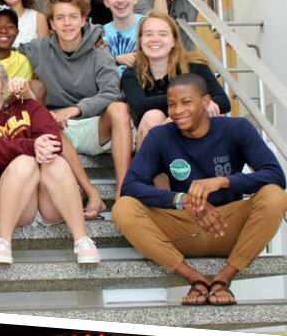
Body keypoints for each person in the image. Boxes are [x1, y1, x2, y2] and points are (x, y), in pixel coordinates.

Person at [114, 73, 287, 306]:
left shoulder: (237, 128)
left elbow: (275, 174)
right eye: (171, 104)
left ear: (205, 102)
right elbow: (130, 186)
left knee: (275, 196)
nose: (177, 111)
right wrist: (181, 199)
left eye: (186, 102)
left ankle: (223, 280)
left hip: (226, 225)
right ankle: (194, 279)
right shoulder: (160, 136)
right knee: (123, 208)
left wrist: (222, 181)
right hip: (184, 226)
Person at [0, 58, 100, 265]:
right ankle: (3, 241)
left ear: (4, 85)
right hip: (9, 203)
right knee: (24, 161)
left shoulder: (28, 106)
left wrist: (42, 147)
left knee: (56, 162)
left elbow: (54, 139)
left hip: (48, 202)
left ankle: (82, 239)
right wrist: (31, 146)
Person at [19, 0, 133, 199]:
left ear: (83, 20)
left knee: (119, 109)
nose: (67, 23)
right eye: (60, 18)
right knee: (44, 119)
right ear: (52, 24)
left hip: (93, 124)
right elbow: (3, 48)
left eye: (73, 17)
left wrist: (76, 109)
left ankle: (122, 192)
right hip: (59, 127)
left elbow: (112, 93)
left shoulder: (100, 51)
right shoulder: (38, 49)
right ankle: (92, 194)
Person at [121, 11, 231, 150]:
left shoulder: (194, 66)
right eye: (149, 34)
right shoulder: (131, 74)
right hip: (154, 132)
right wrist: (193, 100)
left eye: (162, 34)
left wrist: (178, 114)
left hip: (194, 129)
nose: (155, 39)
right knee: (152, 116)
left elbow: (223, 101)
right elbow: (140, 105)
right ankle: (151, 171)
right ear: (141, 41)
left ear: (174, 40)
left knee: (177, 118)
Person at [102, 0, 144, 76]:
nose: (120, 0)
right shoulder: (99, 34)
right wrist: (116, 59)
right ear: (106, 2)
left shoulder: (149, 26)